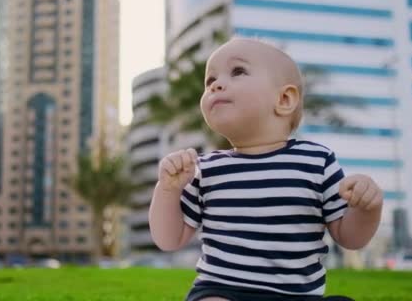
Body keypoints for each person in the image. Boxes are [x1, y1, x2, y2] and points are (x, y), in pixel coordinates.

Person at [148, 38, 383, 301]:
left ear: (284, 99)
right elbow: (169, 239)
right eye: (209, 80)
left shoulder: (316, 162)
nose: (216, 84)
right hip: (223, 291)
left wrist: (365, 209)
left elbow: (350, 238)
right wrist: (167, 190)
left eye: (238, 71)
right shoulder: (206, 169)